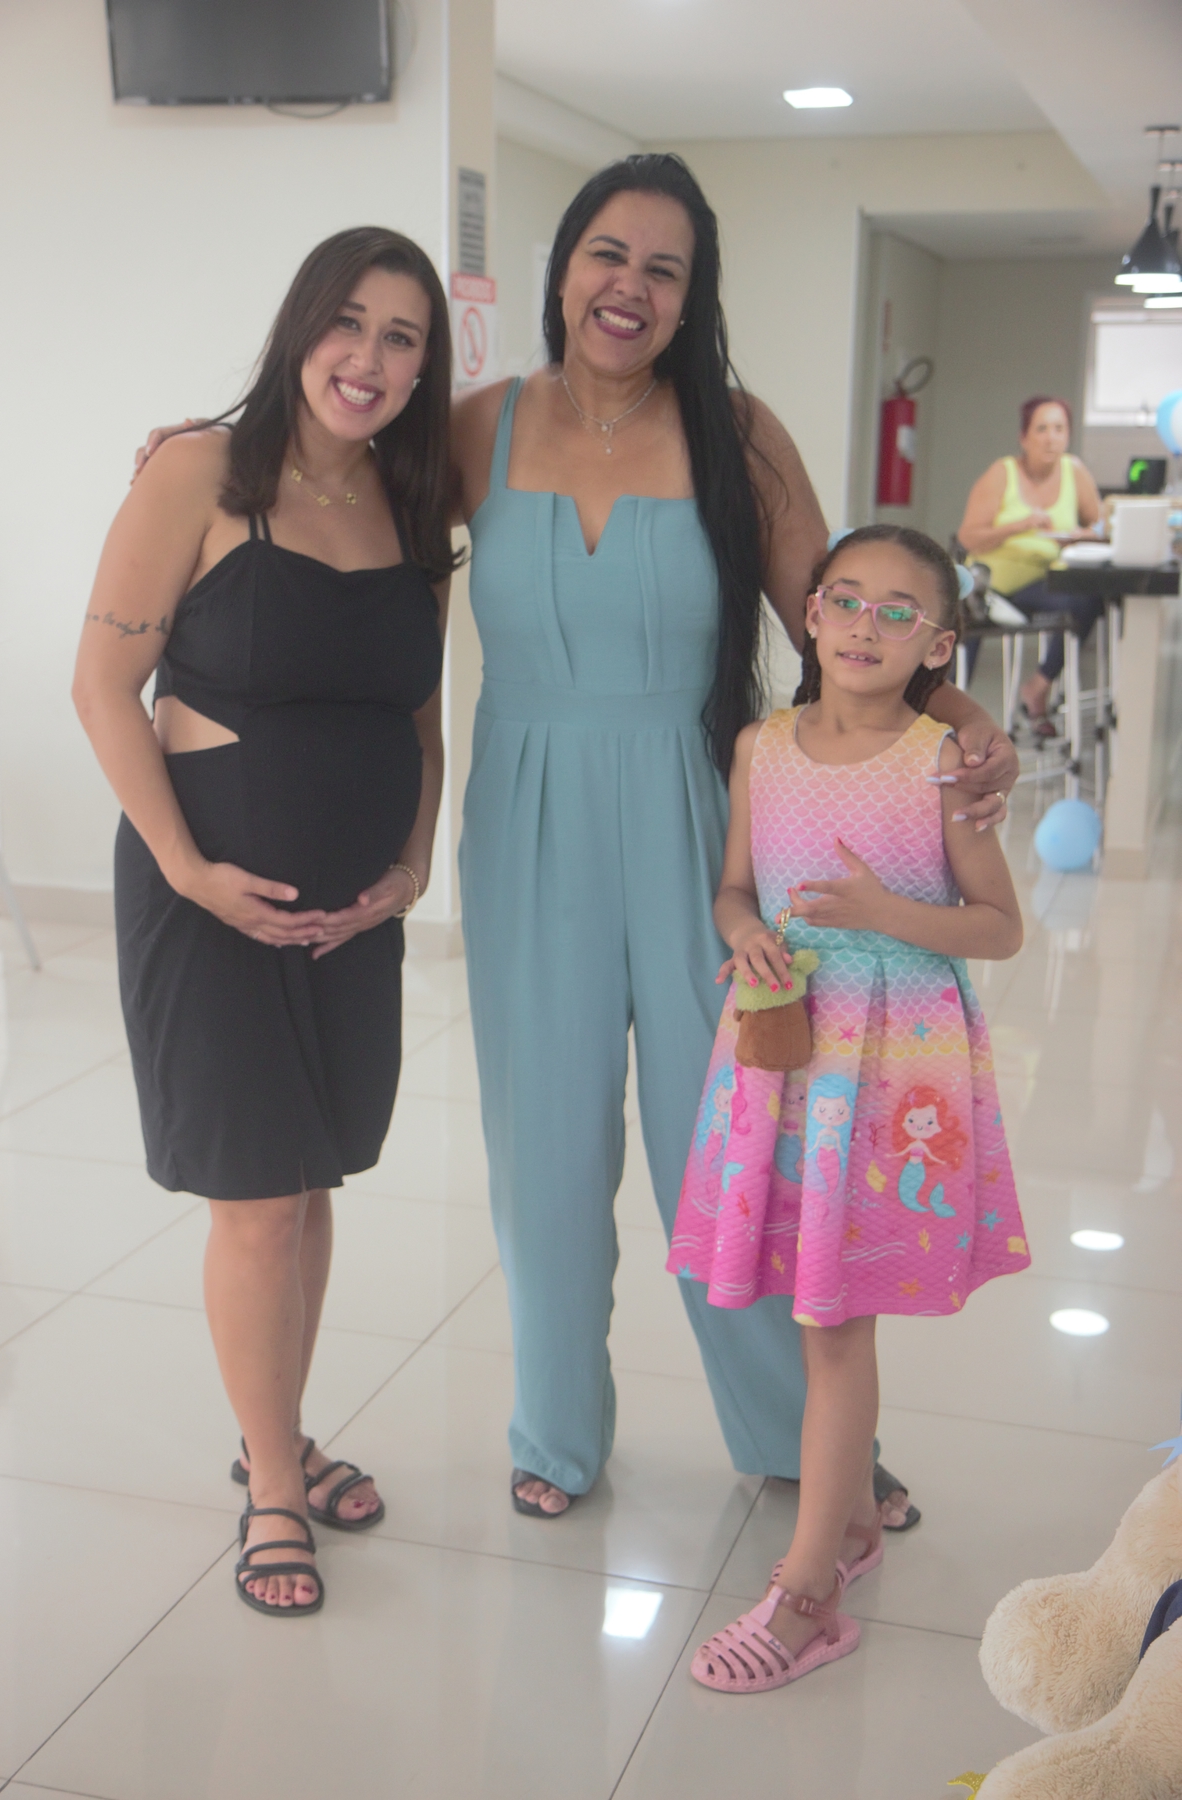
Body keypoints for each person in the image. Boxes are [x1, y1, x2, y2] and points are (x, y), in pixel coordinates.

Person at [450, 155, 1019, 1521]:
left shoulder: (738, 433)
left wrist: (959, 715)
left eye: (665, 269)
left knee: (739, 1135)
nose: (628, 288)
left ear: (693, 296)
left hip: (709, 823)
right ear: (562, 266)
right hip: (526, 823)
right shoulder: (476, 427)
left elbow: (843, 623)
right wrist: (198, 452)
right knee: (544, 1149)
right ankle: (554, 1434)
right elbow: (323, 489)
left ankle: (796, 1439)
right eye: (607, 254)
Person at [74, 228, 452, 1615]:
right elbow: (101, 689)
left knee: (310, 1186)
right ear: (301, 328)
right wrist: (185, 870)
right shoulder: (199, 472)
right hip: (211, 901)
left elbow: (421, 719)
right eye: (348, 323)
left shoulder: (414, 504)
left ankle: (277, 1431)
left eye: (402, 336)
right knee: (254, 1202)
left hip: (354, 917)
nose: (368, 358)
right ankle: (274, 1485)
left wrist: (412, 862)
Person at [669, 525, 1028, 1693]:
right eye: (848, 600)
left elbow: (999, 927)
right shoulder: (760, 747)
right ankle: (857, 1523)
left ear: (939, 645)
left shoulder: (945, 761)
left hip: (891, 1072)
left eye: (899, 612)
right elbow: (733, 888)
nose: (868, 626)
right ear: (811, 613)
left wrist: (883, 912)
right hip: (784, 1052)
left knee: (834, 1322)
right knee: (815, 1306)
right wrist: (744, 933)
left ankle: (810, 1593)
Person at [958, 396, 1103, 736]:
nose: (1051, 438)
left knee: (1090, 598)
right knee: (962, 617)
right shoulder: (1002, 473)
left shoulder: (1074, 471)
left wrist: (1082, 535)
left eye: (1059, 429)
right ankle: (948, 719)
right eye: (1042, 429)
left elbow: (1100, 525)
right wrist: (1019, 525)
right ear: (1024, 437)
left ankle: (1039, 686)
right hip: (990, 586)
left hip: (1040, 584)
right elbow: (969, 537)